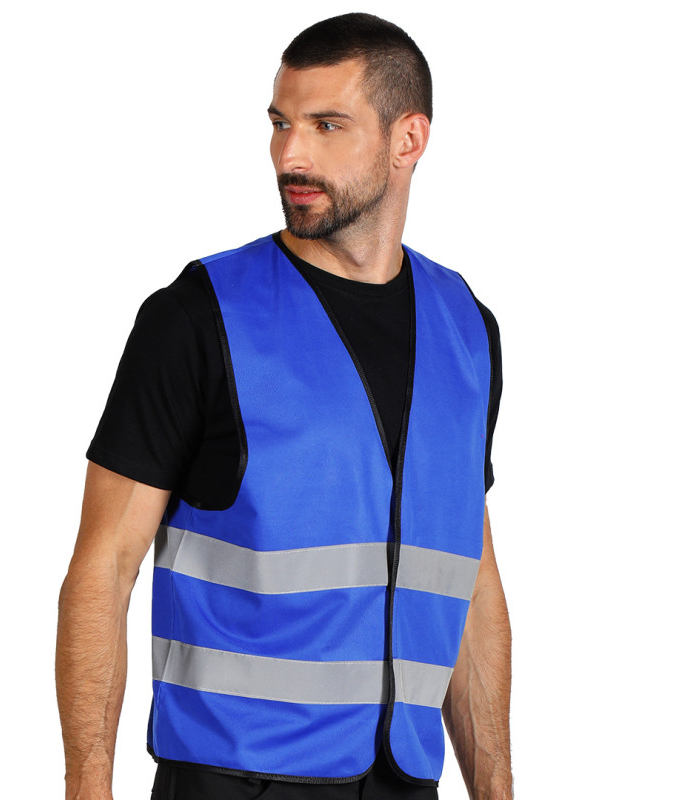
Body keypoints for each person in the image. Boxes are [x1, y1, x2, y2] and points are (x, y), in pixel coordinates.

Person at [56, 12, 512, 800]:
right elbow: (103, 569)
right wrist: (87, 787)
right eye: (280, 123)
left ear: (408, 140)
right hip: (232, 780)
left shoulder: (466, 328)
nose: (289, 155)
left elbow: (471, 583)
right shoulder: (198, 316)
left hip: (404, 782)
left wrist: (497, 788)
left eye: (326, 126)